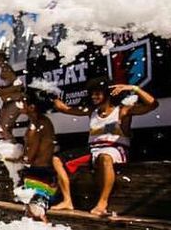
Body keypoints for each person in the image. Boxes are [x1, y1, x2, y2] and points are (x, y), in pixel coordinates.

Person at [51, 78, 159, 216]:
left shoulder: (122, 110)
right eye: (92, 93)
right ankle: (67, 201)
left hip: (116, 149)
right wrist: (52, 95)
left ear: (107, 94)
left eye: (97, 93)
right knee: (56, 160)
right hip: (93, 150)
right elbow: (63, 108)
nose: (93, 96)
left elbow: (153, 104)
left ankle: (102, 203)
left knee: (105, 157)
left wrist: (134, 88)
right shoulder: (92, 111)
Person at [18, 91, 57, 222]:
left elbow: (29, 156)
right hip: (41, 173)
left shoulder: (37, 125)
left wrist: (14, 159)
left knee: (36, 213)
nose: (18, 105)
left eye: (22, 102)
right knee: (33, 213)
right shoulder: (40, 122)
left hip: (40, 175)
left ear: (32, 107)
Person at [0, 51, 25, 141]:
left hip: (14, 101)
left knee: (4, 129)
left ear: (2, 58)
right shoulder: (3, 69)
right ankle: (12, 146)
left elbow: (18, 85)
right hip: (7, 102)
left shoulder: (6, 69)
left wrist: (1, 91)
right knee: (4, 129)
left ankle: (14, 147)